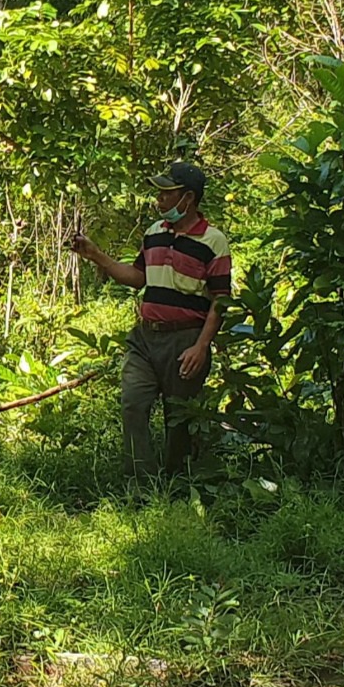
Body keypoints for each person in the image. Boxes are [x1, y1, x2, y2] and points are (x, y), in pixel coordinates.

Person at [71, 162, 232, 478]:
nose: (159, 201)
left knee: (179, 417)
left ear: (187, 198)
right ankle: (141, 484)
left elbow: (220, 301)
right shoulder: (154, 234)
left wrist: (201, 347)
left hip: (185, 339)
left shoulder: (214, 241)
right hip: (146, 338)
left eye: (166, 194)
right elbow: (137, 277)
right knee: (133, 403)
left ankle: (177, 483)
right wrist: (96, 255)